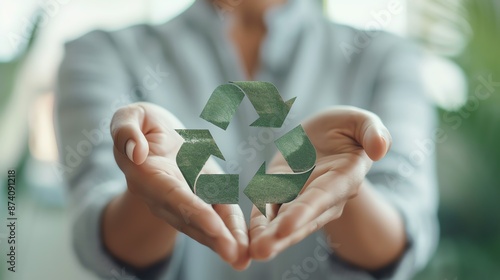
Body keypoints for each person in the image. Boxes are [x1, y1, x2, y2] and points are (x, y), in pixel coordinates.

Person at [55, 0, 439, 279]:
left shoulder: (385, 57)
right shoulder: (101, 53)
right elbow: (98, 235)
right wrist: (148, 183)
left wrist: (345, 189)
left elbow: (405, 234)